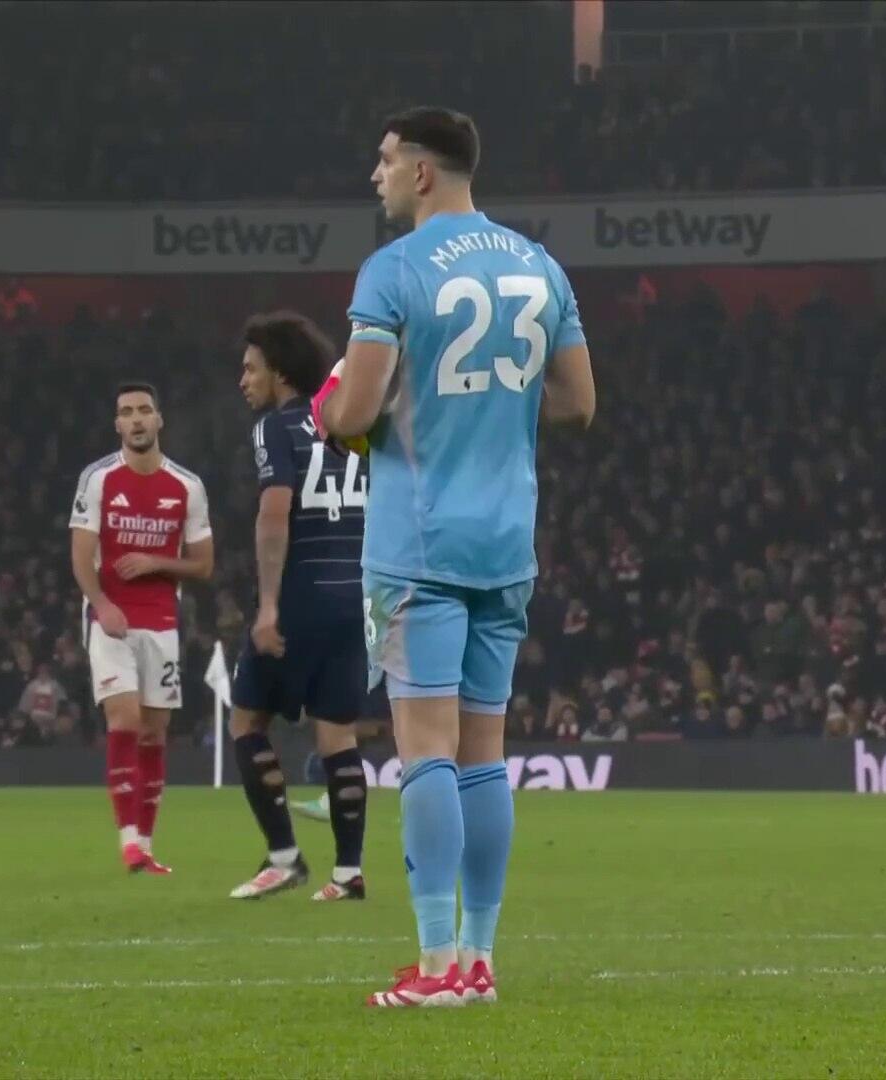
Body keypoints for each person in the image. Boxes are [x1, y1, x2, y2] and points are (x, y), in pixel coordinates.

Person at [317, 106, 595, 1006]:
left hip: (420, 546)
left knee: (426, 754)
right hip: (506, 542)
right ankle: (479, 960)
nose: (376, 175)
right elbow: (578, 403)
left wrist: (328, 408)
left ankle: (435, 965)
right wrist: (494, 405)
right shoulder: (540, 266)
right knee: (484, 756)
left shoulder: (394, 270)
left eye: (385, 160)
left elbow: (354, 414)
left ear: (423, 171)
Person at [225, 310, 373, 902]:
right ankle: (348, 873)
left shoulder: (276, 427)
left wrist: (267, 607)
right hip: (354, 593)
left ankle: (284, 857)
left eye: (251, 369)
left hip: (302, 594)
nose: (243, 380)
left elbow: (274, 512)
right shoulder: (350, 422)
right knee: (338, 734)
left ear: (280, 373)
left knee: (246, 721)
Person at [69, 383, 215, 875]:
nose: (136, 419)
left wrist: (156, 562)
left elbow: (203, 565)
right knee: (125, 719)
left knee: (154, 733)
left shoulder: (187, 486)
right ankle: (128, 841)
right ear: (117, 425)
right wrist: (101, 605)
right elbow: (80, 555)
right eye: (127, 412)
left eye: (144, 410)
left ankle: (147, 846)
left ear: (158, 420)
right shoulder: (98, 478)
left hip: (162, 620)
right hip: (111, 617)